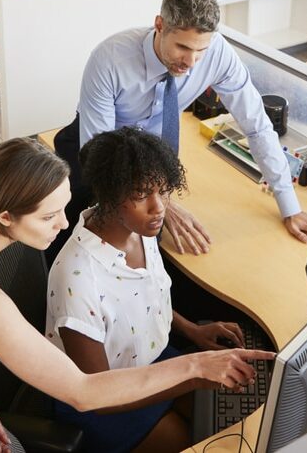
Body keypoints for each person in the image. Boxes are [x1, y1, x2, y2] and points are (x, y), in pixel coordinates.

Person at [0, 137, 259, 453]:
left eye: (64, 208)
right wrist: (195, 367)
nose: (64, 225)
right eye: (49, 217)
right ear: (5, 217)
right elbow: (82, 392)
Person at [47, 128, 271, 453]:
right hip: (104, 398)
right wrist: (190, 376)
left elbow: (146, 298)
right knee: (195, 441)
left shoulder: (141, 230)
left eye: (164, 191)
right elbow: (94, 394)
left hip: (152, 361)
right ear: (109, 194)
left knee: (225, 418)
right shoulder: (78, 279)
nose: (158, 207)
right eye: (141, 194)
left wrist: (193, 331)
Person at [54, 0, 307, 256]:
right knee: (83, 239)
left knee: (153, 248)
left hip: (152, 154)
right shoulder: (109, 59)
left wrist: (290, 206)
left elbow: (257, 126)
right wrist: (162, 204)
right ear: (159, 25)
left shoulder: (217, 54)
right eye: (182, 47)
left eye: (200, 50)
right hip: (98, 151)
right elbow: (101, 157)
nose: (191, 61)